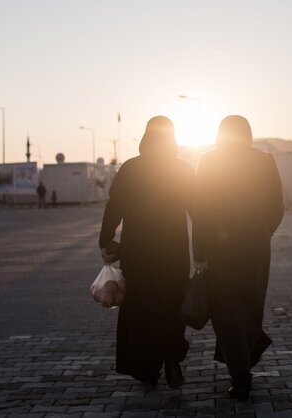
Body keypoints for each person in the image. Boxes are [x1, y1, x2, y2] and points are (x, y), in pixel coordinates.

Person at [98, 116, 194, 389]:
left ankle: (147, 369)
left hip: (139, 252)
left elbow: (113, 207)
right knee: (173, 306)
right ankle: (172, 355)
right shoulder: (182, 169)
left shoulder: (131, 168)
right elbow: (198, 210)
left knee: (141, 309)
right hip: (173, 252)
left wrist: (105, 239)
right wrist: (205, 247)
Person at [193, 115, 284, 401]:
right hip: (256, 250)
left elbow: (200, 209)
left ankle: (241, 374)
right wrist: (262, 232)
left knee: (226, 312)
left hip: (221, 252)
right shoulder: (264, 161)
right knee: (250, 308)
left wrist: (200, 253)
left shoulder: (209, 161)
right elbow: (277, 207)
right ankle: (242, 363)